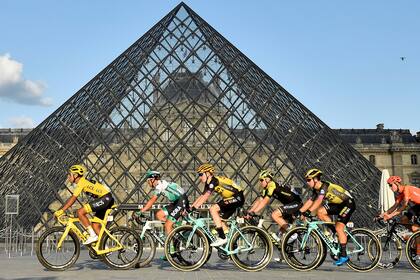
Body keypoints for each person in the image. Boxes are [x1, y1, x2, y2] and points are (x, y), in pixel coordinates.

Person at [299, 168, 356, 266]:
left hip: (348, 203)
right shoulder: (316, 189)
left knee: (339, 227)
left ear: (316, 179)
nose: (307, 182)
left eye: (309, 180)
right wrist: (300, 212)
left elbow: (319, 201)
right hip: (338, 204)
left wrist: (308, 212)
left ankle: (343, 256)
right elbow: (310, 201)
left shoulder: (324, 186)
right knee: (320, 212)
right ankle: (335, 233)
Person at [54, 165, 114, 245]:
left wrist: (62, 210)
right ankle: (104, 248)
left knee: (80, 212)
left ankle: (93, 236)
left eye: (69, 175)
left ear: (75, 175)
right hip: (107, 199)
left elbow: (73, 198)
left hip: (105, 198)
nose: (68, 177)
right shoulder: (83, 182)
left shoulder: (82, 182)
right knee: (95, 225)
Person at [190, 163, 244, 247]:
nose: (199, 177)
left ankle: (222, 237)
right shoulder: (209, 182)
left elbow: (206, 196)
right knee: (220, 220)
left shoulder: (213, 181)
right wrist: (192, 207)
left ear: (208, 173)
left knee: (213, 209)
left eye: (201, 174)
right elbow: (202, 195)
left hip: (237, 197)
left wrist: (195, 207)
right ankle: (231, 244)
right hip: (233, 198)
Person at [247, 170, 302, 236]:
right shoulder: (266, 188)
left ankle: (292, 234)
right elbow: (260, 200)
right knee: (279, 234)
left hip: (296, 203)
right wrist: (250, 211)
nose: (260, 182)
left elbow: (265, 201)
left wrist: (254, 212)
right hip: (289, 204)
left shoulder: (272, 185)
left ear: (267, 179)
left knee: (274, 215)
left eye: (261, 180)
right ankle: (283, 239)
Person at [133, 170, 189, 236]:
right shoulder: (160, 184)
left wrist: (141, 211)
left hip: (181, 201)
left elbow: (152, 201)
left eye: (148, 181)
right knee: (159, 214)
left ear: (153, 179)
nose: (148, 183)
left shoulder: (160, 185)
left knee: (168, 225)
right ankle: (175, 226)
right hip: (176, 202)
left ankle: (170, 245)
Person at [381, 175, 420, 257]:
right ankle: (414, 237)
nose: (390, 188)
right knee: (404, 219)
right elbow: (395, 206)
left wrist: (390, 215)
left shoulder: (406, 189)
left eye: (391, 185)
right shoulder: (401, 193)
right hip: (418, 206)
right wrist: (384, 214)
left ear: (396, 183)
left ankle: (418, 248)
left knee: (415, 228)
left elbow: (404, 206)